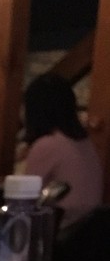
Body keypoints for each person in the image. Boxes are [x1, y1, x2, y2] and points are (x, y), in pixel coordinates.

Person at [21, 73, 102, 228]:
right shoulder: (85, 142)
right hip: (87, 232)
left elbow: (25, 198)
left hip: (59, 231)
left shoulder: (47, 145)